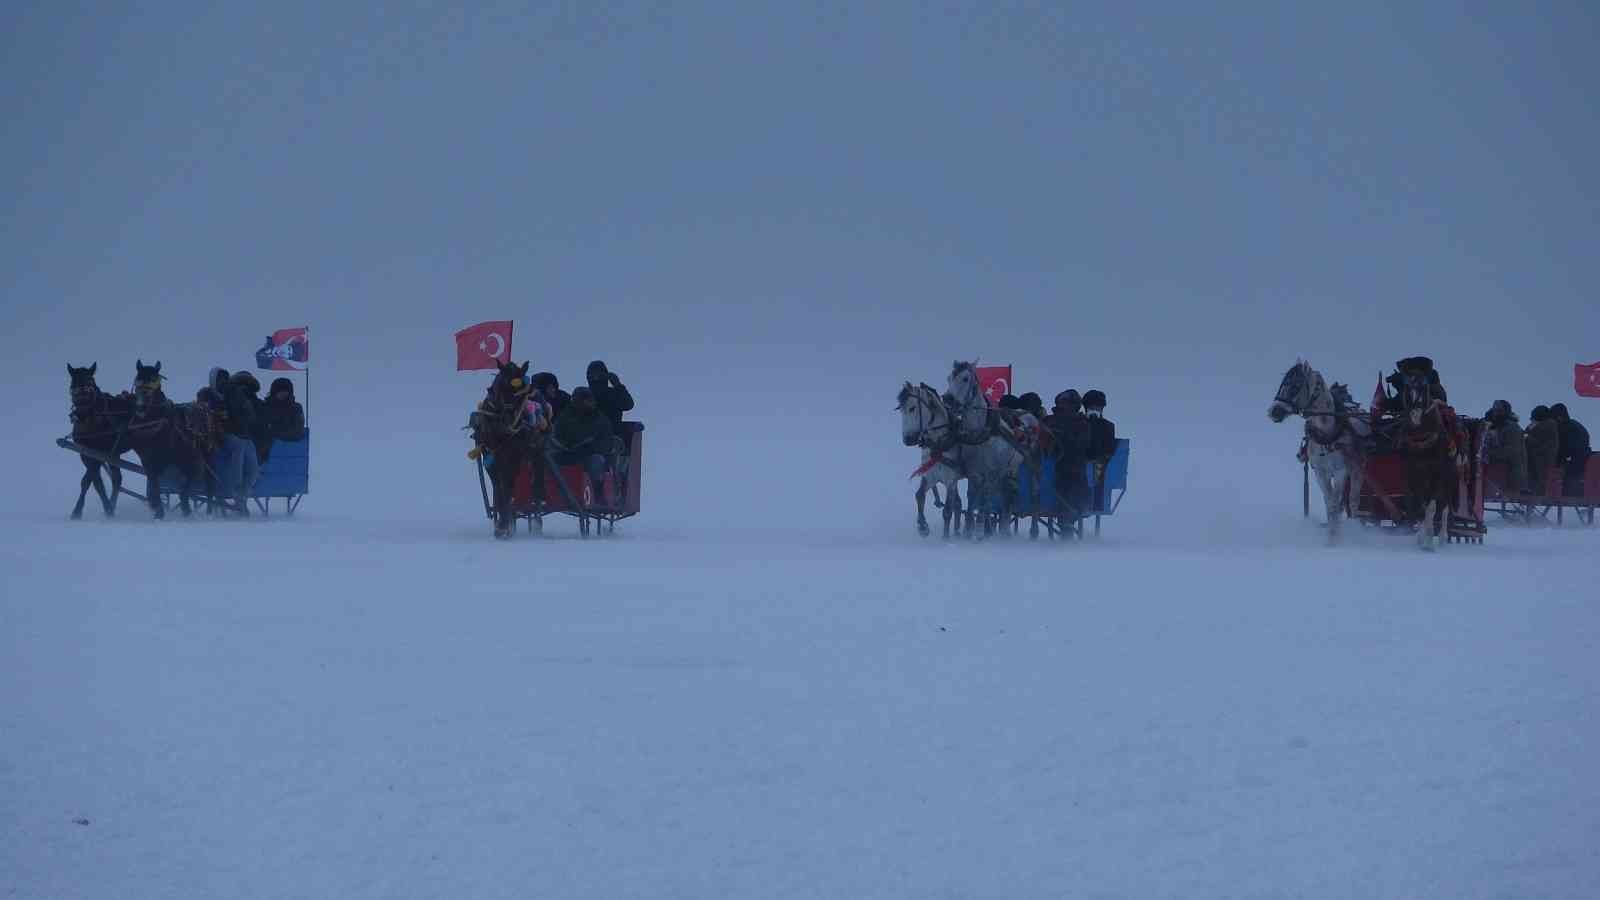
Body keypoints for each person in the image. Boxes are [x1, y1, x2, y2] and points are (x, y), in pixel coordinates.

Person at [552, 386, 615, 505]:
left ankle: (598, 493)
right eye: (583, 400)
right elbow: (556, 434)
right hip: (567, 453)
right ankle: (549, 494)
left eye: (589, 400)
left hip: (589, 454)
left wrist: (591, 447)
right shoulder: (565, 417)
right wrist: (561, 446)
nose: (588, 403)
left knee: (596, 461)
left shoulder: (600, 419)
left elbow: (607, 442)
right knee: (550, 460)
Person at [217, 370, 262, 514]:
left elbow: (252, 418)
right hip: (231, 435)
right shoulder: (227, 396)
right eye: (241, 385)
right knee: (239, 449)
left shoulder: (249, 400)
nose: (244, 388)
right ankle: (236, 490)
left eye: (247, 386)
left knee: (254, 468)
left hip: (245, 436)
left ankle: (242, 494)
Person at [1045, 389, 1092, 521]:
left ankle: (1075, 509)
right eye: (1062, 403)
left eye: (1067, 403)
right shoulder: (1049, 420)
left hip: (1071, 463)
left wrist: (1063, 437)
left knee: (1073, 474)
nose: (1063, 406)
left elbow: (1081, 445)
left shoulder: (1082, 423)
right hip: (1046, 460)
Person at [1482, 399, 1527, 494]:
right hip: (1498, 473)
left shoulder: (1512, 427)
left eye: (1498, 410)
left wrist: (1487, 454)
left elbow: (1511, 451)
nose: (1495, 413)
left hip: (1512, 473)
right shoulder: (1494, 425)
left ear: (1506, 411)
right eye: (1494, 410)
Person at [258, 377, 306, 464]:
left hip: (289, 456)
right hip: (263, 457)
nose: (283, 393)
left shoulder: (295, 408)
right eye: (280, 391)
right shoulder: (264, 407)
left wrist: (273, 431)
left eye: (286, 391)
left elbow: (297, 432)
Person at [1551, 403, 1592, 497]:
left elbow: (1564, 449)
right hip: (1583, 459)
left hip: (1576, 463)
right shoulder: (1574, 425)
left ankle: (1565, 494)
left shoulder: (1566, 428)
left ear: (1559, 417)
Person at [1525, 405, 1560, 496]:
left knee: (1538, 478)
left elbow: (1535, 440)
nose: (1531, 421)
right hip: (1541, 456)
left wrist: (1527, 436)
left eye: (1533, 418)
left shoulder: (1547, 425)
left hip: (1541, 457)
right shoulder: (1547, 425)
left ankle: (1536, 495)